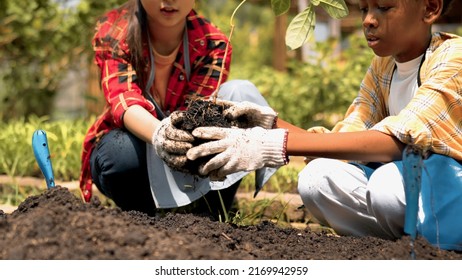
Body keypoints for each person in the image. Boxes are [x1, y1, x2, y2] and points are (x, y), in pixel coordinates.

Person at [184, 0, 462, 243]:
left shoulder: (453, 58)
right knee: (317, 179)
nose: (368, 20)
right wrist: (266, 124)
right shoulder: (383, 68)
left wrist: (272, 144)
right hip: (410, 195)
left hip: (448, 189)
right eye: (364, 8)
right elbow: (347, 139)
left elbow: (396, 143)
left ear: (430, 8)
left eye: (384, 7)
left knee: (386, 185)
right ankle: (398, 243)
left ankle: (432, 239)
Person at [79, 0, 278, 217]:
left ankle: (211, 213)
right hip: (138, 146)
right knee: (119, 154)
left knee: (239, 92)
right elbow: (124, 100)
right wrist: (159, 134)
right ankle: (141, 216)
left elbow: (196, 114)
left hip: (189, 151)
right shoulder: (115, 30)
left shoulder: (212, 43)